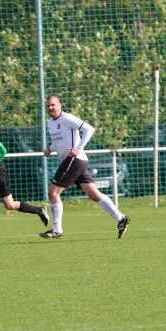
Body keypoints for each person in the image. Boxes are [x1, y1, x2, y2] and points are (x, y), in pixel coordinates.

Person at [40, 95, 130, 239]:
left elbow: (89, 129)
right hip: (76, 162)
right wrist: (50, 149)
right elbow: (58, 141)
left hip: (73, 160)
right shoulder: (50, 123)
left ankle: (57, 229)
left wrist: (78, 148)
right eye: (48, 106)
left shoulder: (67, 118)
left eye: (53, 105)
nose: (50, 108)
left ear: (60, 105)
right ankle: (121, 218)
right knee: (93, 194)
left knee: (53, 192)